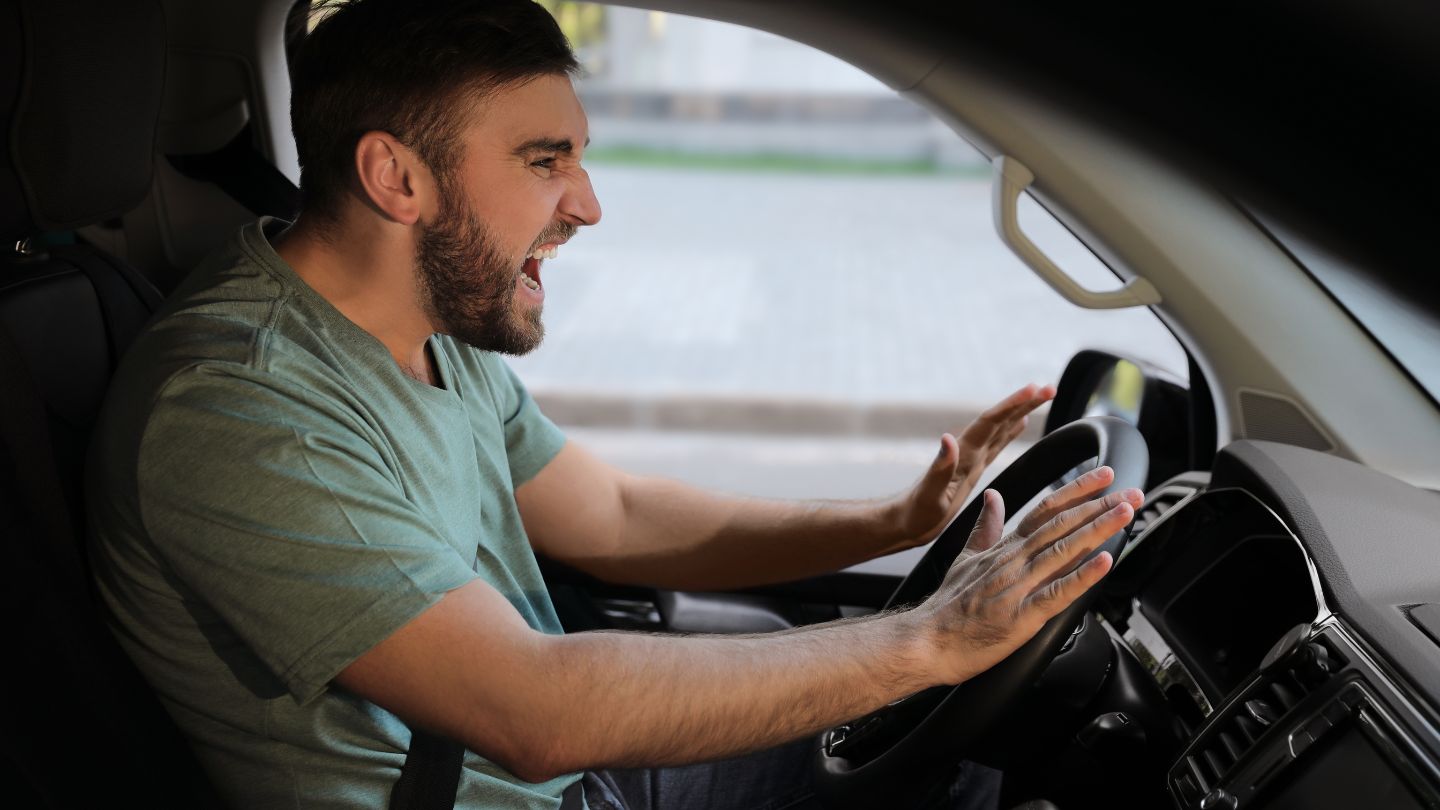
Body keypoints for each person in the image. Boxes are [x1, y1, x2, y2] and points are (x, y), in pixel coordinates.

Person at [86, 1, 1143, 808]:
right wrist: (928, 640)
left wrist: (897, 523)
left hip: (569, 783)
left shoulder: (425, 330)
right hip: (529, 774)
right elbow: (531, 712)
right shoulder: (237, 407)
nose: (588, 205)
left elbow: (616, 518)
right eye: (546, 162)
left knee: (942, 761)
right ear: (396, 180)